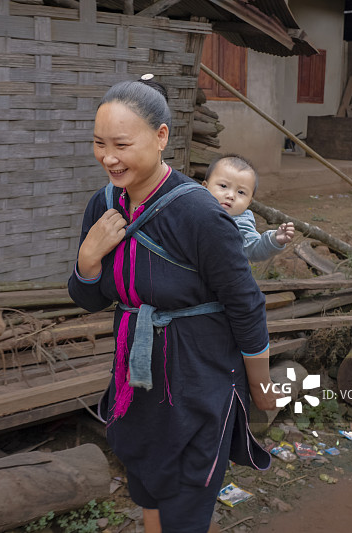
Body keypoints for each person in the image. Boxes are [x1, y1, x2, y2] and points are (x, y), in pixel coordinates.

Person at [67, 75, 282, 533]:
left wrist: (261, 386)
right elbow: (88, 298)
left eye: (122, 144)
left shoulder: (200, 214)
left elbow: (246, 304)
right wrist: (88, 257)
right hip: (136, 379)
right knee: (147, 484)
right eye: (99, 143)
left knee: (185, 502)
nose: (109, 157)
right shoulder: (104, 206)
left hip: (197, 381)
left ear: (161, 136)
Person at [202, 154, 295, 262]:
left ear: (249, 202)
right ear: (205, 187)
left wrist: (274, 240)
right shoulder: (192, 208)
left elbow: (254, 249)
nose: (231, 196)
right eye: (223, 186)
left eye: (241, 192)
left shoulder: (240, 223)